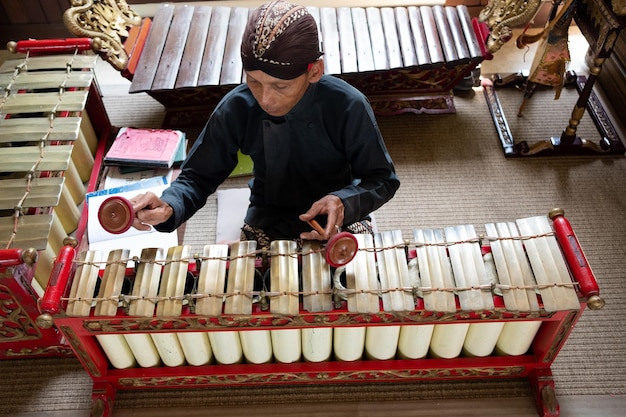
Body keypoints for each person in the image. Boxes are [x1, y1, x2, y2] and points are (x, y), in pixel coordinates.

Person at [129, 0, 400, 250]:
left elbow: (382, 180)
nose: (266, 99)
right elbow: (198, 175)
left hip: (339, 208)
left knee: (356, 283)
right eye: (254, 82)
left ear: (314, 71)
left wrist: (344, 202)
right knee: (254, 290)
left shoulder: (348, 105)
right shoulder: (237, 107)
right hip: (270, 212)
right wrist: (170, 204)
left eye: (280, 86)